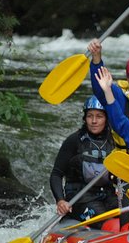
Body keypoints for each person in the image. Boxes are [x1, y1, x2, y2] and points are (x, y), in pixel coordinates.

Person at [49, 96, 117, 227]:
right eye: (90, 116)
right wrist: (60, 200)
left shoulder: (113, 141)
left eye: (99, 116)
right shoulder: (74, 140)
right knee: (106, 222)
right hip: (80, 199)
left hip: (107, 195)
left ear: (107, 119)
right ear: (85, 118)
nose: (94, 121)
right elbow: (56, 174)